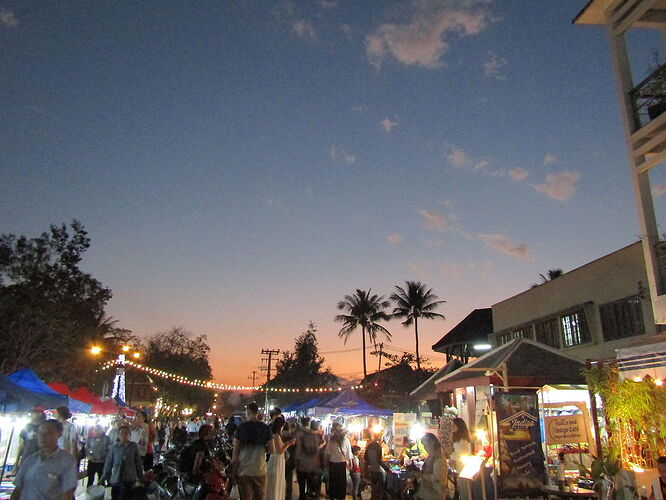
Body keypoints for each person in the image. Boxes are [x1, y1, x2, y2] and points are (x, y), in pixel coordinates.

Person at [11, 419, 78, 500]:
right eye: (40, 433)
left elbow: (66, 495)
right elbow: (18, 489)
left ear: (59, 434)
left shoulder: (67, 461)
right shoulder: (31, 459)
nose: (42, 437)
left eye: (47, 433)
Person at [232, 402, 274, 500]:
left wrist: (234, 472)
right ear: (257, 412)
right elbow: (272, 449)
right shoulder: (266, 428)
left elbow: (235, 452)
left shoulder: (241, 428)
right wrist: (262, 449)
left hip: (244, 471)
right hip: (260, 471)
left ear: (247, 412)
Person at [102, 424, 144, 500]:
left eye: (126, 433)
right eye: (121, 433)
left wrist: (141, 477)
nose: (124, 435)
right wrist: (103, 478)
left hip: (130, 478)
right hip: (116, 479)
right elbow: (108, 464)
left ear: (130, 435)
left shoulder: (134, 446)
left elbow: (138, 463)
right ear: (118, 435)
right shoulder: (114, 448)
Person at [266, 418, 295, 500]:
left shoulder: (276, 435)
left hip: (277, 459)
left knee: (277, 481)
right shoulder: (276, 436)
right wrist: (289, 444)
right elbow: (280, 451)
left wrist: (286, 444)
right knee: (276, 481)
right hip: (277, 460)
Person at [296, 418, 324, 499]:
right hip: (311, 466)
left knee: (301, 488)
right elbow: (315, 450)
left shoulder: (299, 434)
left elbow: (298, 450)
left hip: (301, 464)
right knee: (310, 489)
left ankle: (302, 497)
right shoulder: (315, 437)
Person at [325, 423, 352, 500]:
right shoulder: (346, 440)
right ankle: (340, 497)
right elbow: (348, 454)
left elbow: (328, 453)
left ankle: (333, 497)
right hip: (341, 465)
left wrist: (326, 463)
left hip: (333, 464)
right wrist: (350, 464)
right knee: (341, 483)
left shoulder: (332, 440)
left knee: (333, 483)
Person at [14, 406, 46, 473]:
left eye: (40, 413)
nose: (38, 414)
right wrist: (16, 463)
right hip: (26, 460)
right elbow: (21, 446)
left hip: (40, 462)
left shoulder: (46, 428)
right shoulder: (27, 427)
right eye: (35, 413)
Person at [416, 433, 447, 500]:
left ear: (431, 443)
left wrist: (420, 475)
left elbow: (438, 477)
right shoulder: (431, 457)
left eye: (425, 445)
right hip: (426, 493)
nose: (424, 447)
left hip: (434, 494)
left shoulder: (439, 458)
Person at [364, 433, 390, 500]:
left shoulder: (369, 446)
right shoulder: (378, 446)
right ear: (379, 438)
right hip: (379, 471)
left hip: (372, 470)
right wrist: (388, 469)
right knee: (381, 489)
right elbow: (379, 461)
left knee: (374, 488)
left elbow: (365, 457)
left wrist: (371, 462)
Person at [283, 420, 298, 500]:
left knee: (282, 479)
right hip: (292, 460)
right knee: (289, 480)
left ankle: (281, 494)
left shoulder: (281, 435)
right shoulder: (294, 437)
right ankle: (288, 496)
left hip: (283, 459)